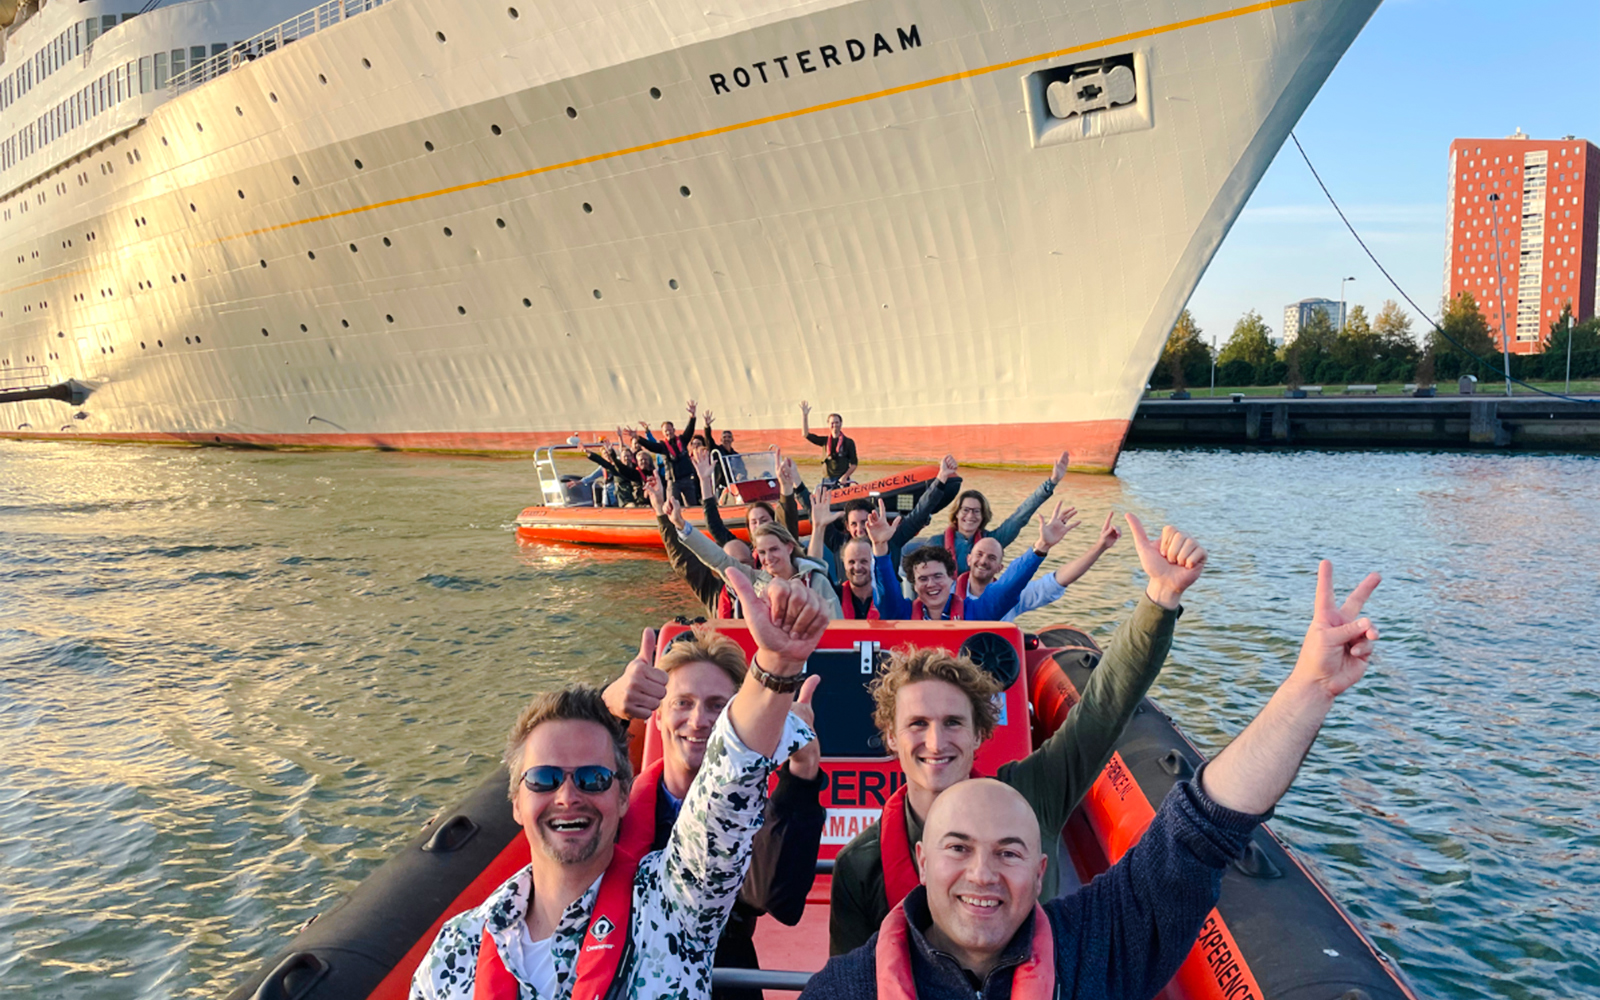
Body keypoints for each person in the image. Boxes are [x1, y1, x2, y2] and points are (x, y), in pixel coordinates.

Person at [803, 560, 1383, 1000]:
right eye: (918, 725)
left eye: (1008, 850)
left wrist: (1304, 687)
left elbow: (1186, 812)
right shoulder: (856, 897)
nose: (982, 874)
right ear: (924, 862)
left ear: (1037, 868)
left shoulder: (1090, 950)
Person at [410, 567, 828, 1000]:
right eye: (544, 779)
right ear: (515, 800)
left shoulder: (674, 905)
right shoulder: (454, 952)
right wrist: (609, 700)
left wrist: (777, 667)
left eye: (593, 779)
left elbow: (730, 779)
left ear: (622, 795)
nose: (568, 796)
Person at [827, 513, 1205, 955]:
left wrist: (1159, 601)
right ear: (891, 737)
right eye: (917, 724)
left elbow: (1103, 708)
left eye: (953, 723)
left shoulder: (1033, 791)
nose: (935, 742)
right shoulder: (860, 865)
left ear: (978, 734)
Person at [599, 626, 826, 1000]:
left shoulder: (758, 812)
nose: (699, 720)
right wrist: (608, 712)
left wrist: (802, 771)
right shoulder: (613, 810)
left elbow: (774, 898)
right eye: (682, 703)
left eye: (718, 705)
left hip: (725, 982)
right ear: (657, 716)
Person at [866, 501, 1078, 622]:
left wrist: (1040, 548)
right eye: (923, 579)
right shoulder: (900, 614)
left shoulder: (975, 613)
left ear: (952, 578)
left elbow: (1008, 587)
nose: (931, 584)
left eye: (938, 576)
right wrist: (880, 547)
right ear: (914, 585)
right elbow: (885, 593)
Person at [669, 497, 843, 619]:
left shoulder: (816, 581)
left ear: (789, 547)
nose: (768, 558)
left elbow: (837, 627)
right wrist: (681, 526)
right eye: (762, 552)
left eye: (774, 549)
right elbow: (719, 560)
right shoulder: (756, 580)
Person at [807, 455, 962, 583]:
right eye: (854, 524)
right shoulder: (839, 543)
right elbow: (815, 520)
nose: (859, 528)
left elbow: (919, 514)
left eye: (864, 522)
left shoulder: (892, 540)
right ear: (847, 526)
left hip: (885, 609)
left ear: (873, 520)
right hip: (849, 609)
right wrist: (794, 485)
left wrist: (941, 479)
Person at [965, 512, 1121, 623]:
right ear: (968, 559)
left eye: (992, 558)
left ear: (1000, 568)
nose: (984, 561)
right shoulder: (947, 592)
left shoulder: (1013, 595)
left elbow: (1058, 580)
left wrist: (1100, 547)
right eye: (979, 554)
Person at [929, 452, 1071, 573]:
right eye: (965, 510)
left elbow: (1019, 517)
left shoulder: (993, 542)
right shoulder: (936, 543)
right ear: (956, 514)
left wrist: (1051, 482)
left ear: (983, 516)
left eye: (976, 511)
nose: (970, 516)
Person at [646, 476, 755, 618]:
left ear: (753, 564)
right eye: (730, 566)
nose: (737, 572)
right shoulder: (712, 592)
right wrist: (661, 511)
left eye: (742, 564)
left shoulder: (767, 589)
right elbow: (683, 561)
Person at [638, 399, 701, 505]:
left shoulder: (682, 440)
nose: (668, 432)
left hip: (687, 479)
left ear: (674, 429)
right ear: (663, 433)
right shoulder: (663, 446)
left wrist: (692, 416)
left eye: (669, 429)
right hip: (673, 480)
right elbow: (651, 446)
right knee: (671, 504)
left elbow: (689, 431)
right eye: (665, 431)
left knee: (692, 504)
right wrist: (638, 438)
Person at [800, 401, 857, 485]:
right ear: (828, 424)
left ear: (841, 423)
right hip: (827, 480)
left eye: (837, 422)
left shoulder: (848, 442)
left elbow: (854, 464)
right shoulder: (824, 441)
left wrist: (845, 477)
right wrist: (805, 416)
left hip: (842, 480)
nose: (834, 425)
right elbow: (805, 434)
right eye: (832, 423)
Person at [834, 537, 879, 620]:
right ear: (844, 564)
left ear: (873, 563)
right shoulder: (834, 597)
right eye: (851, 562)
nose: (857, 567)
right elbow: (815, 567)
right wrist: (818, 528)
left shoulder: (886, 599)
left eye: (863, 561)